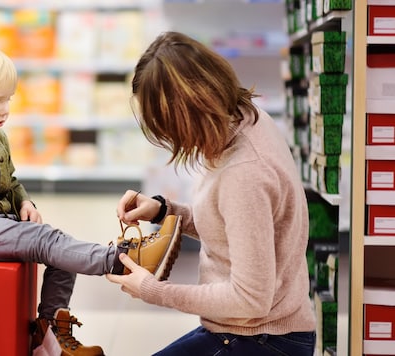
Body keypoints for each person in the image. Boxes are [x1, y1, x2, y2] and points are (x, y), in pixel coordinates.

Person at [0, 38, 183, 356]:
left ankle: (49, 337)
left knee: (62, 256)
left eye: (8, 100)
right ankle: (121, 260)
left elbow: (10, 182)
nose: (4, 110)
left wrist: (24, 202)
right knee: (46, 239)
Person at [106, 31, 317, 356]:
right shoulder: (246, 120)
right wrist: (165, 210)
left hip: (263, 340)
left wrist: (154, 291)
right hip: (252, 329)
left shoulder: (243, 172)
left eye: (164, 124)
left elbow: (250, 299)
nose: (167, 135)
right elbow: (232, 225)